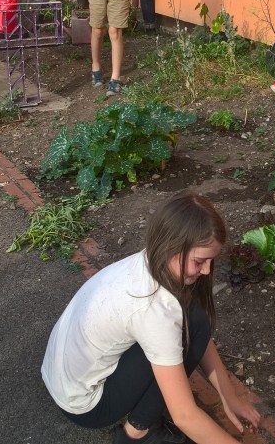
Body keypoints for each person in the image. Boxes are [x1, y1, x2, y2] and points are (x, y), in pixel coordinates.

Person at [42, 190, 261, 444]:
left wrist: (229, 396)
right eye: (200, 261)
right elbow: (185, 416)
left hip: (61, 379)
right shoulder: (154, 308)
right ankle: (138, 433)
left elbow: (197, 330)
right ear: (172, 248)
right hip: (87, 405)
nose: (208, 270)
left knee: (194, 320)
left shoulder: (148, 262)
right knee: (181, 330)